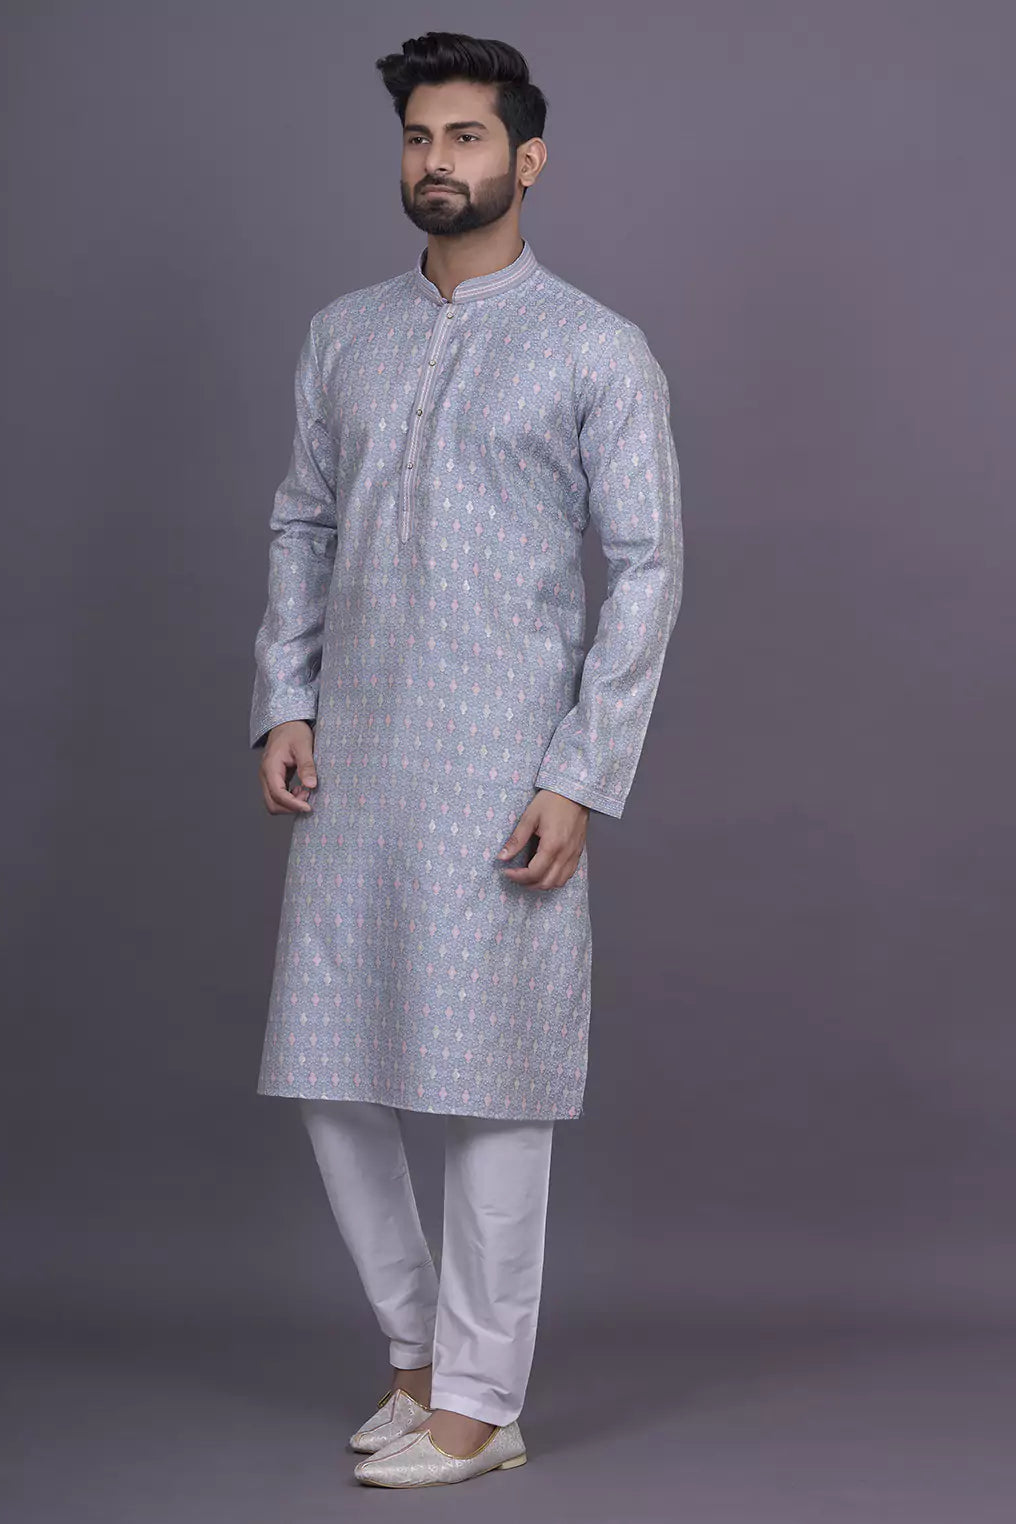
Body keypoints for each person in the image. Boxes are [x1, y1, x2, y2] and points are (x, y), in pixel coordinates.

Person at [249, 31, 684, 1488]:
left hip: (508, 762)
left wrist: (581, 774)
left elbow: (647, 568)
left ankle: (484, 1404)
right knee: (329, 1064)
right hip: (358, 753)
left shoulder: (595, 347)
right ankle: (417, 1359)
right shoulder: (345, 334)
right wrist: (285, 698)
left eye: (468, 138)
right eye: (420, 137)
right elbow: (303, 522)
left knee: (496, 1081)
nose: (438, 161)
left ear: (528, 160)